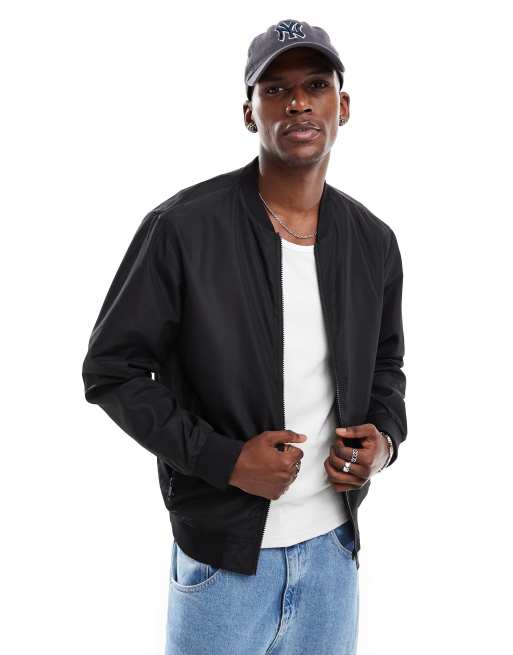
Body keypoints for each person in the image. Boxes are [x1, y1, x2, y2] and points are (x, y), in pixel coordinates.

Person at [81, 18, 407, 655]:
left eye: (315, 85)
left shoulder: (373, 242)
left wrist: (385, 441)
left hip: (334, 556)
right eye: (275, 89)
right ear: (249, 112)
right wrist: (224, 460)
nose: (297, 102)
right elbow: (112, 370)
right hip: (225, 567)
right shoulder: (183, 229)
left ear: (342, 106)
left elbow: (386, 363)